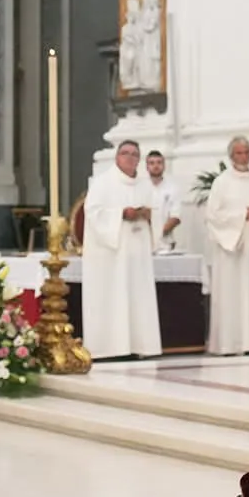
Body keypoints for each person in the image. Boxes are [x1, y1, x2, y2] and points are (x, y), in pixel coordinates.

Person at [81, 140, 161, 359]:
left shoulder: (145, 185)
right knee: (114, 297)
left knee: (138, 297)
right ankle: (110, 348)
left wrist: (148, 214)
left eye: (135, 154)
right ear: (117, 157)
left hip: (138, 252)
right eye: (125, 153)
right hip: (111, 255)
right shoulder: (103, 182)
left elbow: (158, 212)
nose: (130, 158)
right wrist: (121, 214)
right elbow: (93, 212)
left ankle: (140, 346)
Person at [204, 137, 249, 355]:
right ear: (231, 156)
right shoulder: (221, 182)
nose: (244, 157)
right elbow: (213, 215)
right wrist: (243, 215)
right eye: (239, 153)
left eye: (247, 153)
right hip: (232, 249)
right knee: (232, 295)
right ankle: (230, 343)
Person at [145, 150, 182, 253]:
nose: (156, 166)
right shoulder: (140, 188)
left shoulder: (173, 188)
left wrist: (159, 234)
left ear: (164, 166)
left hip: (165, 243)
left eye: (159, 162)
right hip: (144, 242)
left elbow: (175, 217)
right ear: (147, 167)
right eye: (152, 163)